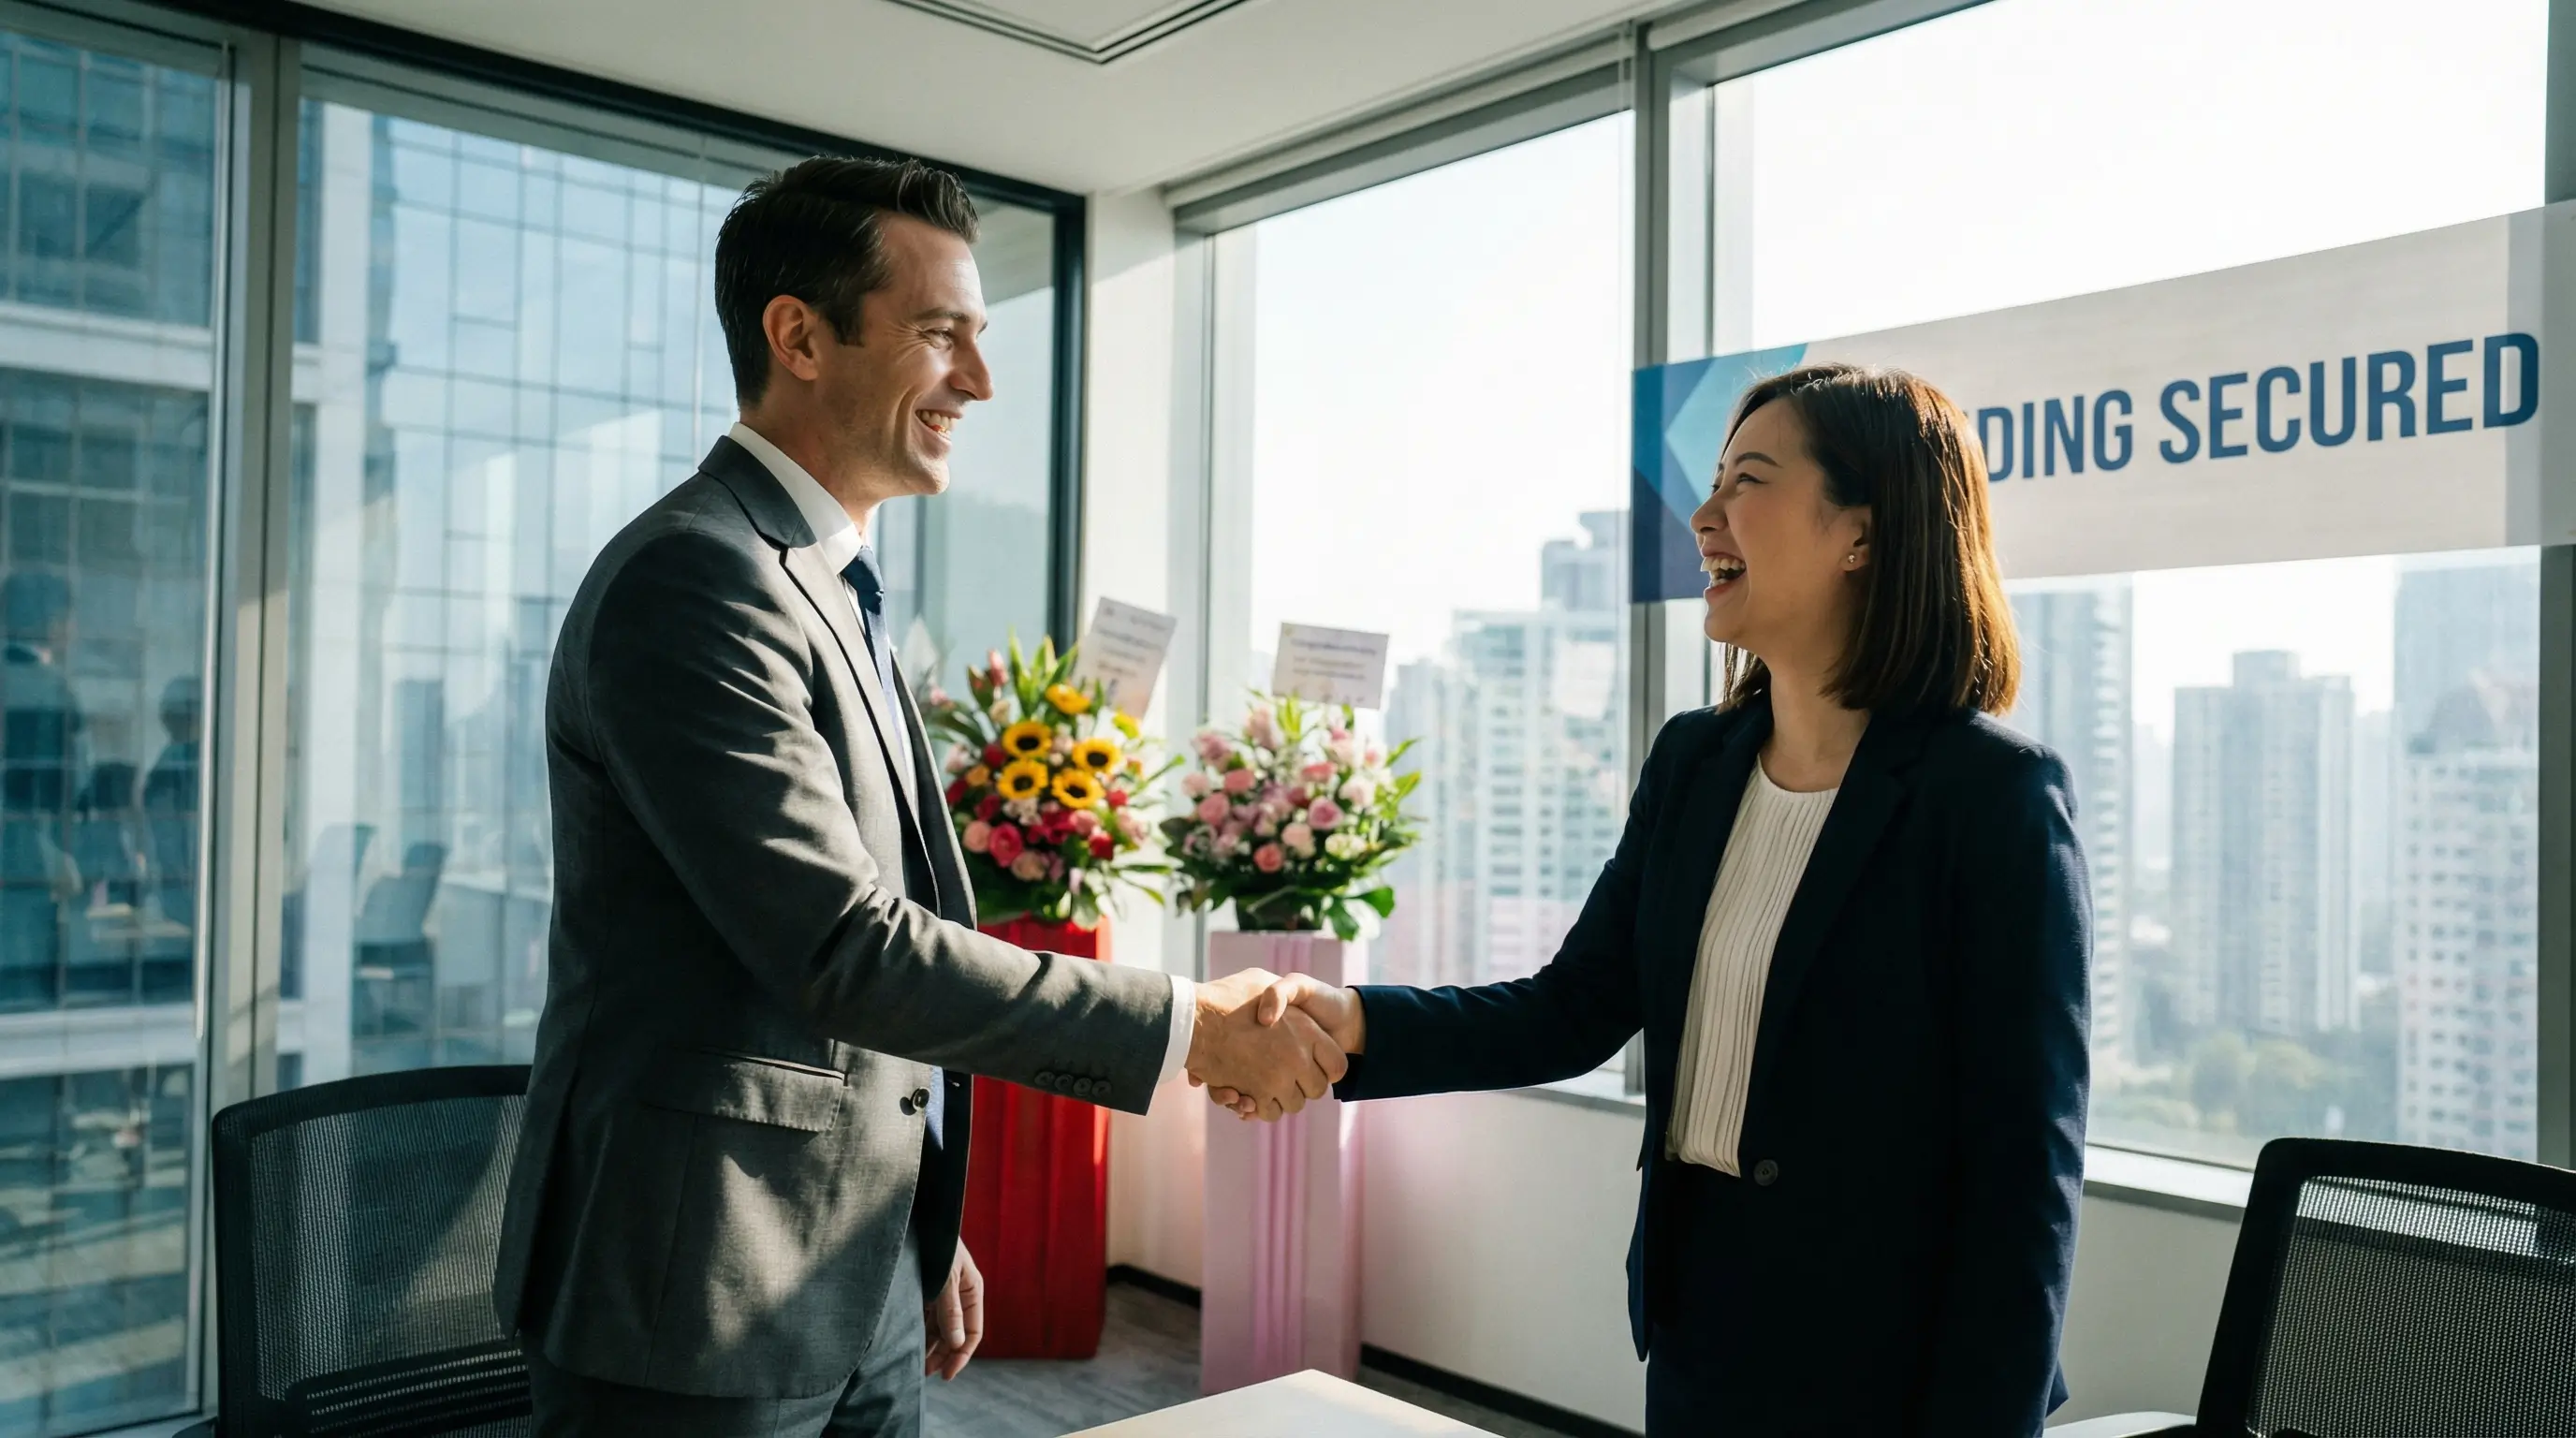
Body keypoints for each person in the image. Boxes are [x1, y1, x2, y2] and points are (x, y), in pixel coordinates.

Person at [496, 157, 1343, 1438]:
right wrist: (1187, 1027)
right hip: (692, 1298)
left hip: (858, 1272)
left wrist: (922, 1223)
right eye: (942, 335)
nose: (981, 383)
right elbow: (843, 945)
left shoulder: (834, 587)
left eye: (982, 339)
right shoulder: (697, 581)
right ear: (800, 338)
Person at [1216, 364, 2091, 1435]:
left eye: (1748, 482)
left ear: (1860, 534)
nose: (1703, 515)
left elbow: (2024, 1166)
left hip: (1893, 1368)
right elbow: (1575, 1005)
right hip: (1702, 1326)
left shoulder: (1989, 794)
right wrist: (1353, 1025)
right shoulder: (1696, 761)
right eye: (1711, 481)